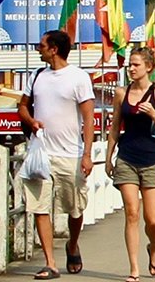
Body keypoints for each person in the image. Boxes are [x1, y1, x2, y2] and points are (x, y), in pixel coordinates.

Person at [17, 30, 95, 279]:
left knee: (75, 209)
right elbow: (22, 106)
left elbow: (88, 118)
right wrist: (31, 121)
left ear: (54, 49)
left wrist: (87, 154)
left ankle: (72, 245)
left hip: (70, 154)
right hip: (41, 153)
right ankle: (50, 263)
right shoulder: (37, 75)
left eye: (42, 45)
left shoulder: (78, 78)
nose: (38, 49)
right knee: (40, 207)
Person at [105, 47, 155, 281]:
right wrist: (108, 158)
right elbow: (115, 127)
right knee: (132, 212)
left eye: (136, 65)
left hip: (152, 158)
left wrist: (154, 113)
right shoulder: (121, 93)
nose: (131, 69)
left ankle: (153, 249)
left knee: (152, 220)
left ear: (148, 67)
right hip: (127, 157)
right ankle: (134, 269)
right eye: (130, 65)